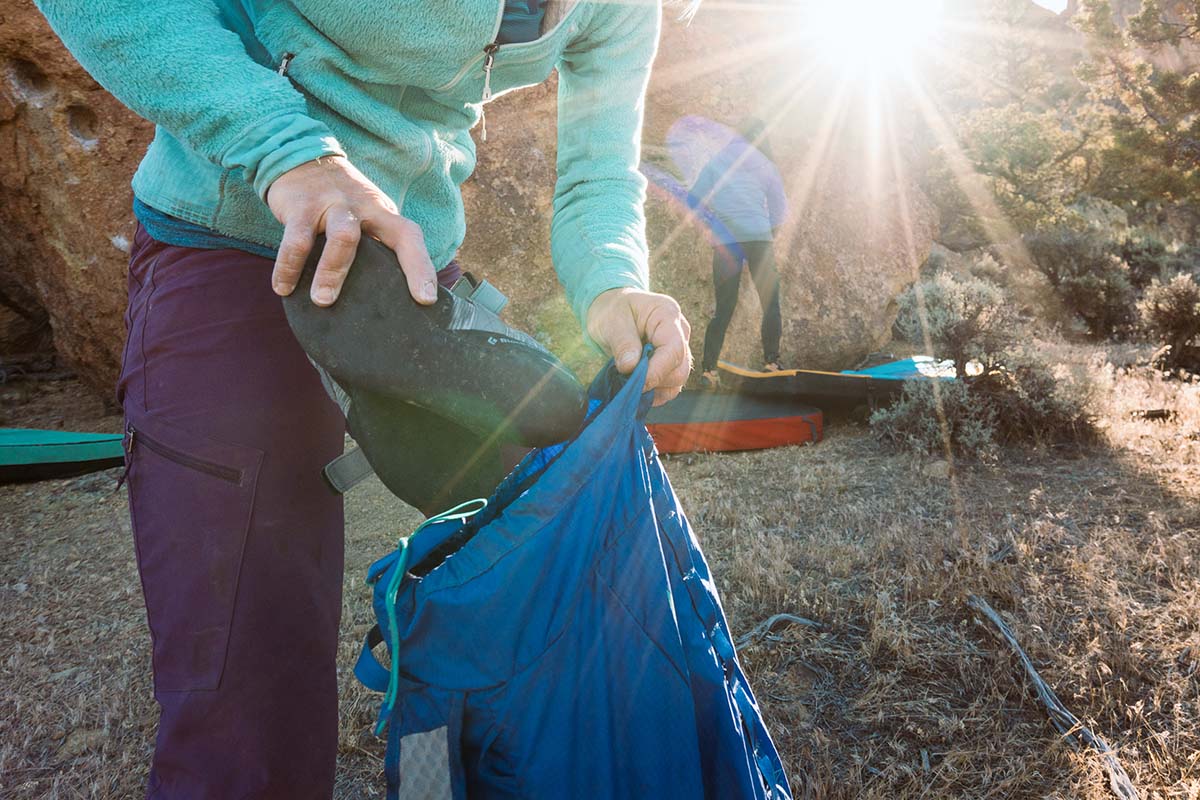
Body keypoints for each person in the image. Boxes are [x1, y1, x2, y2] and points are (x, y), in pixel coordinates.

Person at [35, 0, 692, 797]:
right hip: (237, 244)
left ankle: (428, 781)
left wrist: (615, 283)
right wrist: (287, 150)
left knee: (500, 608)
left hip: (410, 293)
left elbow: (599, 175)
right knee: (250, 686)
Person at [687, 119, 788, 388]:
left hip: (725, 242)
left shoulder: (718, 161)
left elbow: (693, 199)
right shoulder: (766, 164)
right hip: (758, 238)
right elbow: (780, 210)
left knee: (723, 308)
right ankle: (772, 362)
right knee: (770, 303)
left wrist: (713, 224)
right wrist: (769, 231)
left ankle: (709, 371)